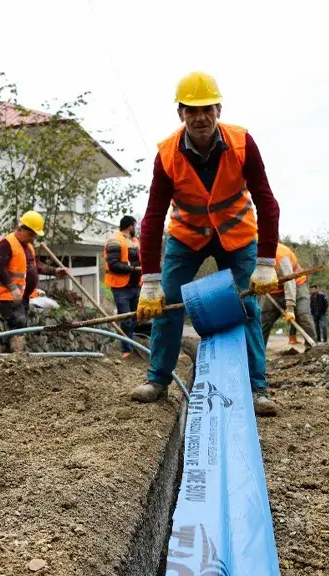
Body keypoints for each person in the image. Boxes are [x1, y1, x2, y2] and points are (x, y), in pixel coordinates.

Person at [131, 71, 283, 416]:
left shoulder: (242, 143)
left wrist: (265, 263)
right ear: (180, 114)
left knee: (247, 303)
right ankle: (158, 380)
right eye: (192, 110)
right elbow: (152, 217)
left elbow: (267, 202)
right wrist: (150, 282)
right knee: (168, 303)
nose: (200, 118)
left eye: (207, 109)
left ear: (218, 110)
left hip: (237, 234)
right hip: (187, 235)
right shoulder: (167, 154)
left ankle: (257, 388)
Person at [0, 211, 68, 351]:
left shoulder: (28, 247)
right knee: (18, 323)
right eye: (31, 234)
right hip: (7, 296)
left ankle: (15, 354)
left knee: (20, 326)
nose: (33, 238)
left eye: (34, 235)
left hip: (22, 296)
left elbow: (36, 265)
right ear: (20, 229)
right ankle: (17, 356)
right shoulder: (6, 244)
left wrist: (54, 271)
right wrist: (13, 288)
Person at [259, 241, 315, 346]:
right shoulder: (250, 256)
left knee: (303, 315)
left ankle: (313, 349)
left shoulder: (281, 255)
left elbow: (289, 282)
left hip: (296, 284)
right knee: (263, 320)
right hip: (273, 290)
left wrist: (290, 309)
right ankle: (258, 353)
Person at [105, 215, 142, 358]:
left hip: (135, 285)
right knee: (126, 320)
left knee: (134, 318)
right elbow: (113, 265)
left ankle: (132, 345)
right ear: (130, 226)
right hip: (121, 287)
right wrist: (134, 269)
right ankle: (126, 350)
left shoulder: (135, 242)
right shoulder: (114, 240)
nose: (136, 228)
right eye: (135, 225)